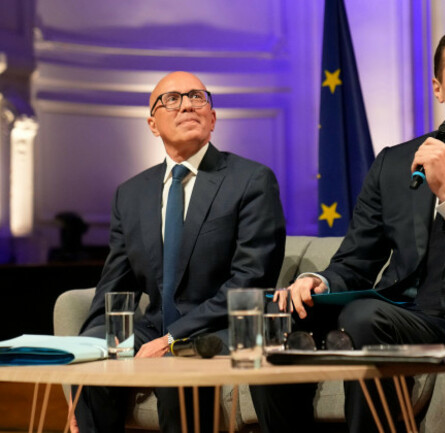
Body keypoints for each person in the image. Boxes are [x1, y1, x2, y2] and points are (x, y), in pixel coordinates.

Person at [251, 26, 445, 433]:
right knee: (278, 314)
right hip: (398, 311)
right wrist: (318, 281)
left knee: (363, 316)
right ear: (438, 88)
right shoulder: (395, 161)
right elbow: (357, 259)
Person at [72, 71, 286, 433]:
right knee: (94, 353)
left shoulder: (251, 180)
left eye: (197, 97)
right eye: (172, 98)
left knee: (174, 365)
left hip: (221, 326)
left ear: (213, 118)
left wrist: (172, 339)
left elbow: (250, 279)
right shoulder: (131, 193)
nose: (187, 103)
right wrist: (86, 364)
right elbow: (113, 285)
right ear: (153, 124)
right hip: (152, 325)